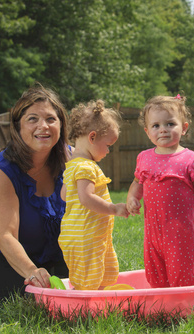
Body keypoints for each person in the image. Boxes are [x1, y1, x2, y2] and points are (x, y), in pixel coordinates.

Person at [0, 83, 71, 301]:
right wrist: (32, 271)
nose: (43, 126)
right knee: (42, 301)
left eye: (51, 119)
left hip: (47, 251)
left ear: (61, 125)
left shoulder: (73, 162)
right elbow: (5, 236)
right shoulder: (0, 172)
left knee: (88, 288)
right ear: (18, 127)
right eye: (32, 119)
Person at [126, 95, 194, 288]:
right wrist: (132, 197)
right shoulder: (144, 158)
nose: (163, 129)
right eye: (156, 126)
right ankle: (163, 307)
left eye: (170, 124)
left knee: (181, 271)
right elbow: (137, 183)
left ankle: (183, 306)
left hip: (179, 231)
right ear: (147, 132)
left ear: (184, 128)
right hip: (152, 231)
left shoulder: (191, 159)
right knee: (155, 270)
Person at [58, 100, 129, 290]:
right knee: (90, 279)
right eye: (108, 145)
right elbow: (86, 198)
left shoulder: (72, 165)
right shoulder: (86, 167)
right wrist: (113, 208)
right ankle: (88, 308)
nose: (108, 151)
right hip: (87, 236)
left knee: (102, 271)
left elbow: (64, 195)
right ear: (92, 137)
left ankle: (98, 300)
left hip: (83, 234)